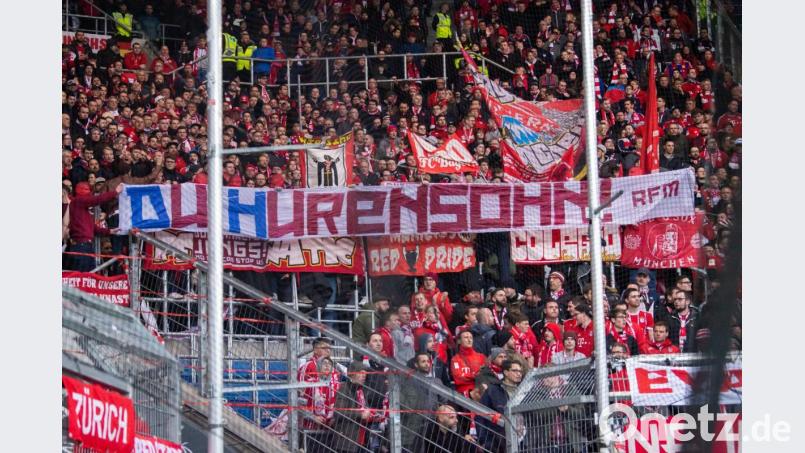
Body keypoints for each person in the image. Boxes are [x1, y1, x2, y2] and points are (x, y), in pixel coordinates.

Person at [67, 183, 122, 272]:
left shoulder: (82, 209)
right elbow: (97, 199)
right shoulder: (77, 201)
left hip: (85, 246)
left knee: (87, 276)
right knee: (83, 277)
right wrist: (115, 192)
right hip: (81, 246)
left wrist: (109, 231)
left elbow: (93, 228)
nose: (90, 197)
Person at [478, 360, 523, 452]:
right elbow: (481, 415)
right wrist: (483, 440)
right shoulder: (493, 391)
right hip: (497, 443)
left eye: (520, 371)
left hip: (521, 440)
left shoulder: (524, 391)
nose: (519, 374)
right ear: (506, 372)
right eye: (515, 371)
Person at [401, 352, 442, 451]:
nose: (427, 364)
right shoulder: (408, 381)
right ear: (416, 364)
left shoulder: (437, 382)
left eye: (428, 361)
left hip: (432, 426)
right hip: (413, 427)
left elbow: (442, 402)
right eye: (423, 361)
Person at [332, 361, 373, 453]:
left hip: (362, 440)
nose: (364, 376)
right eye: (361, 373)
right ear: (352, 374)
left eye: (365, 373)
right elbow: (339, 412)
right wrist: (360, 414)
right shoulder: (344, 388)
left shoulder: (362, 390)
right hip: (348, 441)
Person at [450, 329, 487, 394]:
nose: (469, 340)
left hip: (480, 390)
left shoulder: (481, 357)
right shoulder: (455, 359)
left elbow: (486, 375)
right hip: (464, 393)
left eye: (471, 338)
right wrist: (474, 376)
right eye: (466, 337)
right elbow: (458, 378)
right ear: (459, 341)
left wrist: (469, 377)